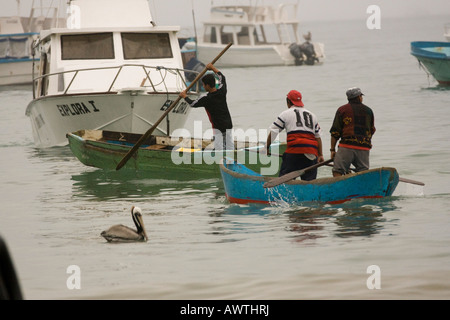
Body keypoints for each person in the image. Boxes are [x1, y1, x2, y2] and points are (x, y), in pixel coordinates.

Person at [265, 90, 324, 180]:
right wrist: (320, 155)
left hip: (294, 151)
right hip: (311, 152)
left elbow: (274, 131)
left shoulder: (285, 114)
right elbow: (318, 137)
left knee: (285, 180)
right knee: (309, 182)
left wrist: (266, 147)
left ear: (288, 102)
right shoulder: (312, 115)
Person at [180, 63, 234, 150]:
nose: (203, 86)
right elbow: (222, 77)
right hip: (228, 124)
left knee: (219, 148)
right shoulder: (222, 90)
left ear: (208, 85)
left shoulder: (206, 98)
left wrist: (184, 96)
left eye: (204, 85)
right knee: (229, 144)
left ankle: (222, 161)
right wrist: (212, 68)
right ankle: (231, 158)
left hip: (218, 127)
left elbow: (192, 104)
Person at [329, 87, 376, 177]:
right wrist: (367, 142)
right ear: (358, 97)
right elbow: (371, 130)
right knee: (363, 173)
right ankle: (361, 189)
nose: (362, 98)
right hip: (364, 148)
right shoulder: (368, 111)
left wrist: (332, 150)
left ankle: (340, 189)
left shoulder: (342, 110)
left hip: (347, 146)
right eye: (361, 96)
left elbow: (335, 132)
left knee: (337, 170)